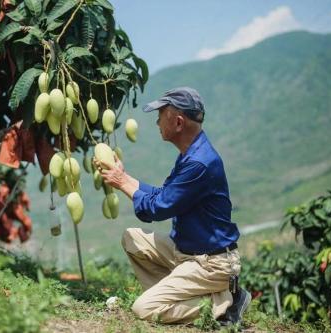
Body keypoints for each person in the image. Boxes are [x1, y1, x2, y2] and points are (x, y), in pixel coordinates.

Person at [96, 87, 251, 326]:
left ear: (178, 122)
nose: (157, 121)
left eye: (160, 115)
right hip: (188, 254)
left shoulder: (199, 163)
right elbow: (164, 195)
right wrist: (125, 178)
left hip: (212, 265)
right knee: (132, 239)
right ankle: (190, 296)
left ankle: (224, 306)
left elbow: (158, 209)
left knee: (143, 308)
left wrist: (122, 182)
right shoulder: (191, 154)